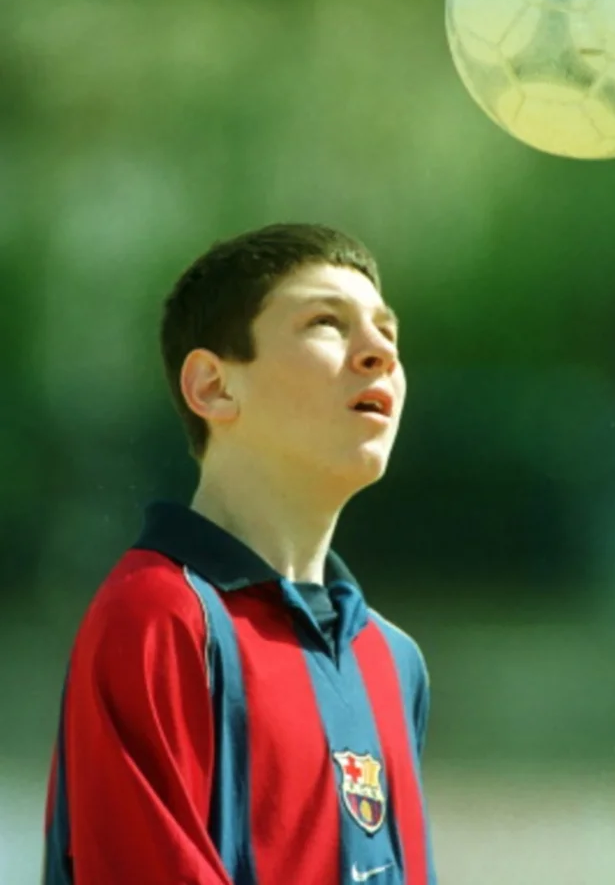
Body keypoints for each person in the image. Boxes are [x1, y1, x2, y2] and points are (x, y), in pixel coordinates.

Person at [42, 223, 437, 885]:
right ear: (214, 388)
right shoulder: (159, 619)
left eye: (388, 333)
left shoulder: (392, 659)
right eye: (326, 323)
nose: (380, 354)